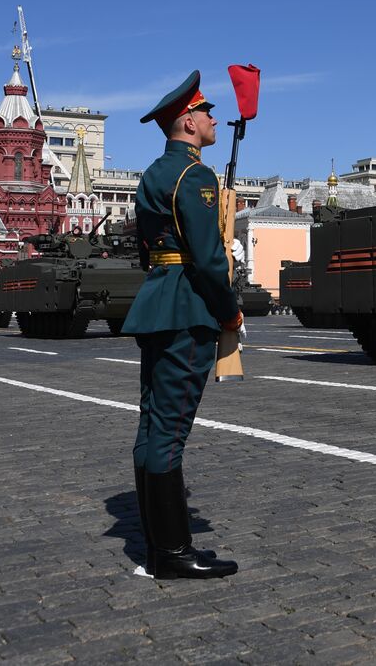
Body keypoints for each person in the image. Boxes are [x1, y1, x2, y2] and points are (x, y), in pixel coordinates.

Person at [124, 70, 239, 580]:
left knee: (152, 425)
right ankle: (171, 554)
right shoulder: (195, 177)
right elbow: (210, 259)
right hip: (187, 305)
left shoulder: (152, 173)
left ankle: (162, 545)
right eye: (208, 111)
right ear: (188, 121)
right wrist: (230, 308)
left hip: (157, 299)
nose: (215, 119)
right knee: (169, 432)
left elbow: (150, 245)